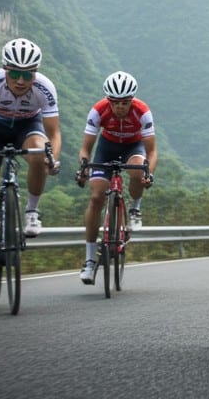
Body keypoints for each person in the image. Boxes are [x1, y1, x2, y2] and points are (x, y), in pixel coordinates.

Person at [0, 37, 62, 296]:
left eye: (27, 75)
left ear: (35, 74)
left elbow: (54, 133)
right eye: (14, 73)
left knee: (39, 153)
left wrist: (53, 158)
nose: (20, 81)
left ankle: (32, 211)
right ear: (5, 70)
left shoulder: (45, 88)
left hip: (28, 128)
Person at [73, 71, 155, 285]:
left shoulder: (142, 112)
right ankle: (90, 260)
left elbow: (152, 152)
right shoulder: (98, 111)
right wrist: (83, 168)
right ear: (108, 100)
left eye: (125, 102)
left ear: (132, 100)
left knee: (138, 170)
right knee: (96, 196)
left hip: (133, 147)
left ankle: (135, 209)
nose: (120, 107)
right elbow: (85, 149)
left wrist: (149, 174)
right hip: (106, 148)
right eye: (115, 102)